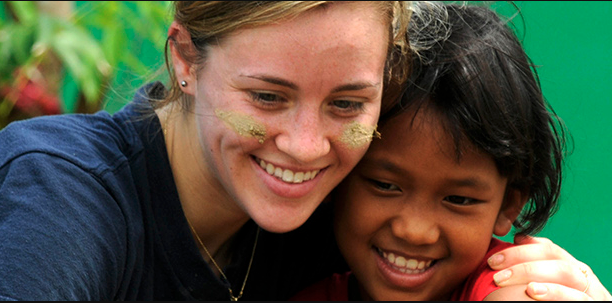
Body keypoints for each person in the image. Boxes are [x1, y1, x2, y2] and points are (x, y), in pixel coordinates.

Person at [0, 1, 608, 301]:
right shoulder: (64, 195)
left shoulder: (340, 220)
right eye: (267, 96)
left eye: (347, 104)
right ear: (185, 58)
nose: (306, 147)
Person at [291, 2, 612, 301]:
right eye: (385, 185)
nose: (415, 231)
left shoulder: (512, 286)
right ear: (340, 174)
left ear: (509, 205)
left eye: (459, 200)